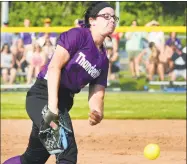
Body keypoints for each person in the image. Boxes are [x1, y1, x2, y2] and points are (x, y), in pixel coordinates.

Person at [3, 2, 118, 164]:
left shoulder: (103, 60)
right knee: (67, 152)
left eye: (114, 17)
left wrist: (96, 111)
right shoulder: (78, 36)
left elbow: (97, 92)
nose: (111, 20)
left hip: (63, 102)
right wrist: (52, 108)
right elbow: (54, 67)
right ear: (92, 20)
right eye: (106, 16)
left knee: (32, 159)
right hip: (43, 95)